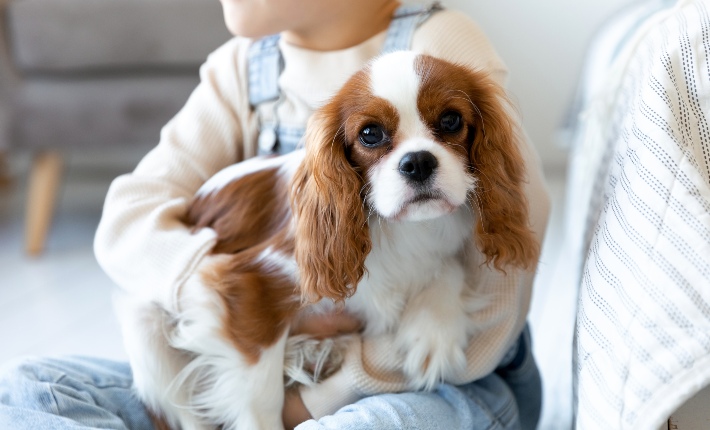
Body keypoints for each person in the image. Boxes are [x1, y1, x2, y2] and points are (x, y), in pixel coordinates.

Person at [0, 0, 550, 429]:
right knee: (27, 391)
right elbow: (126, 219)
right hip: (265, 373)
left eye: (447, 125)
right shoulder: (243, 67)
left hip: (441, 385)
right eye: (373, 137)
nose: (412, 153)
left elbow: (504, 277)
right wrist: (223, 289)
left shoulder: (440, 41)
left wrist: (315, 403)